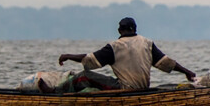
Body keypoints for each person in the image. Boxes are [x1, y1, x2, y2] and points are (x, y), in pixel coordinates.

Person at [58, 17, 195, 90]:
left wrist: (68, 56)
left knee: (83, 76)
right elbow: (166, 63)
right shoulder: (147, 43)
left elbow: (89, 60)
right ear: (135, 29)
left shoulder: (115, 46)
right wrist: (187, 72)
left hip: (124, 88)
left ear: (119, 30)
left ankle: (54, 92)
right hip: (143, 87)